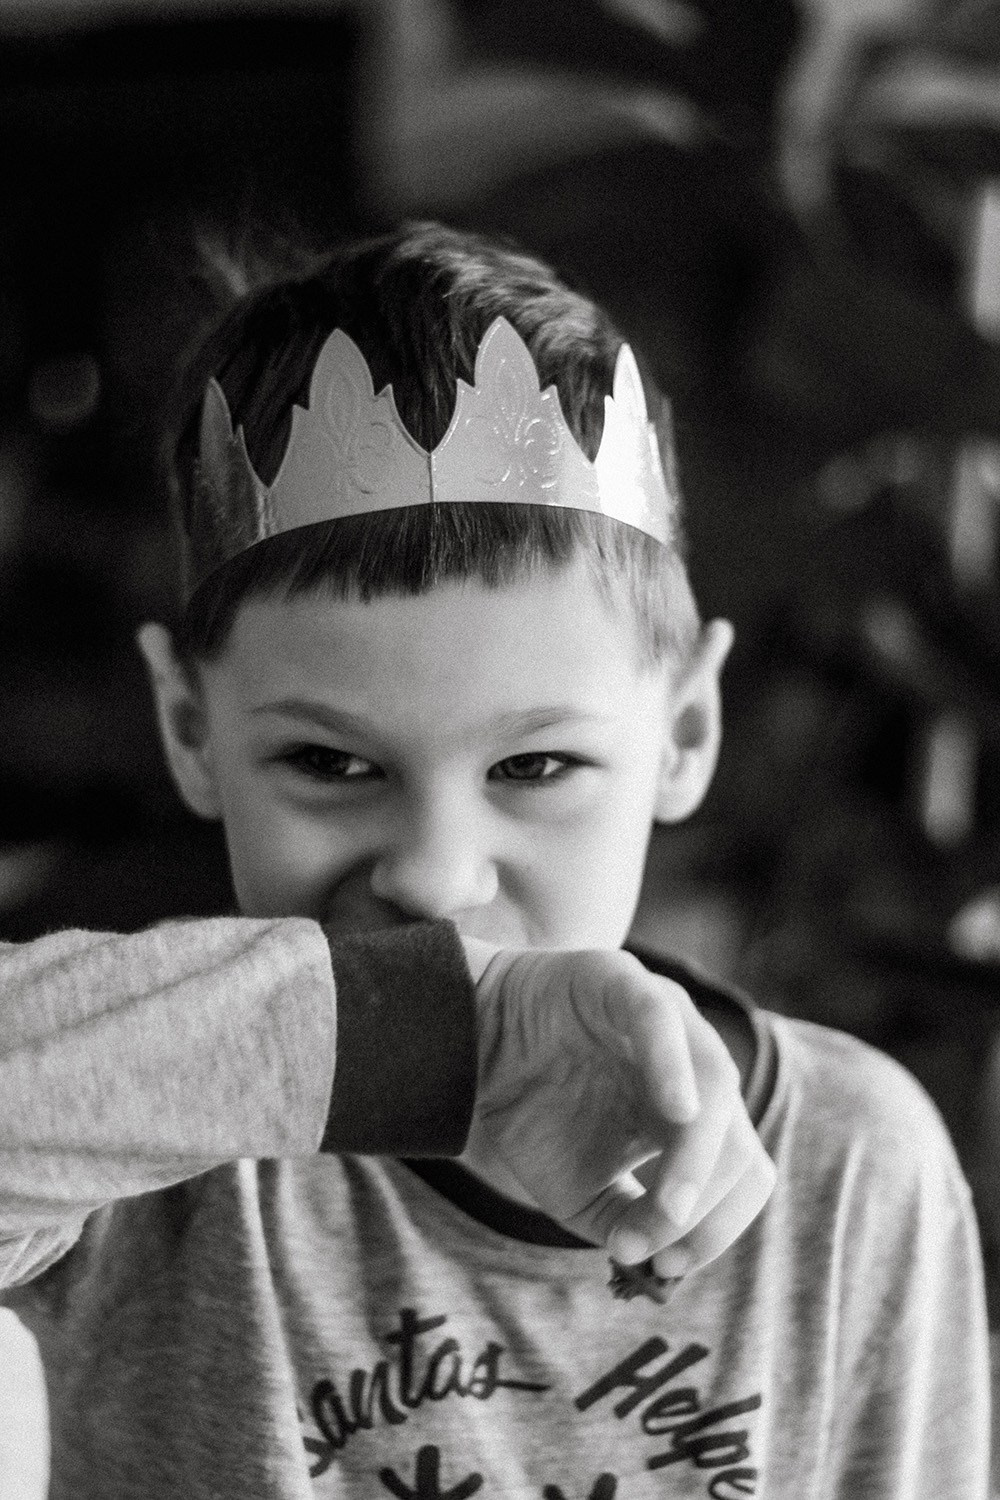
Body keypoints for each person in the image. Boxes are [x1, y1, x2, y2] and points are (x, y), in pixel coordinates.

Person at [0, 221, 989, 1498]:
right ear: (191, 728)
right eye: (330, 765)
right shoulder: (143, 1144)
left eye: (532, 769)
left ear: (684, 730)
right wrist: (444, 1030)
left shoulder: (852, 1169)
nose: (433, 873)